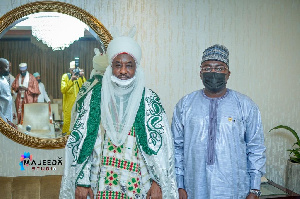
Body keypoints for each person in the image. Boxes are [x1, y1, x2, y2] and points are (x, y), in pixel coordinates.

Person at [60, 32, 178, 199]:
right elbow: (81, 142)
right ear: (110, 67)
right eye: (118, 65)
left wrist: (158, 182)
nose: (123, 71)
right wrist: (82, 181)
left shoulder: (150, 100)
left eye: (129, 65)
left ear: (136, 67)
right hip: (99, 185)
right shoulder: (94, 98)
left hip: (138, 185)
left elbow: (161, 151)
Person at [171, 44, 266, 199]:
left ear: (228, 74)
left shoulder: (245, 105)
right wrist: (179, 184)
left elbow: (256, 148)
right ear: (200, 73)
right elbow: (176, 148)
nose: (213, 72)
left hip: (235, 190)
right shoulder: (185, 105)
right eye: (207, 68)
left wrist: (254, 189)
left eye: (219, 68)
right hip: (193, 188)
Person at [0, 58, 13, 123]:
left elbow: (6, 99)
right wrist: (5, 120)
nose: (9, 69)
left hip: (7, 117)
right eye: (6, 67)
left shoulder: (3, 79)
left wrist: (11, 112)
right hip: (2, 121)